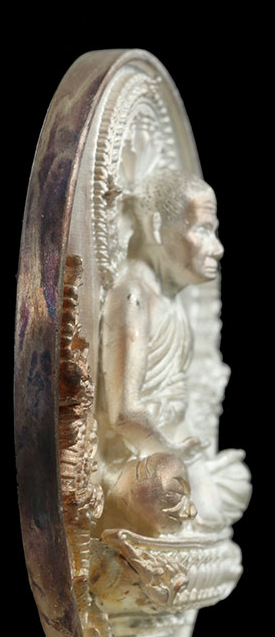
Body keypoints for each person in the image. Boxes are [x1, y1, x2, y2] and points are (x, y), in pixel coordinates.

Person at [98, 169, 250, 536]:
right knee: (161, 490)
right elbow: (124, 414)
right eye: (202, 230)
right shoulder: (132, 295)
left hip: (176, 451)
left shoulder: (173, 304)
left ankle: (188, 511)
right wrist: (174, 451)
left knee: (237, 480)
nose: (217, 248)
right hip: (140, 457)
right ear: (155, 226)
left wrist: (189, 455)